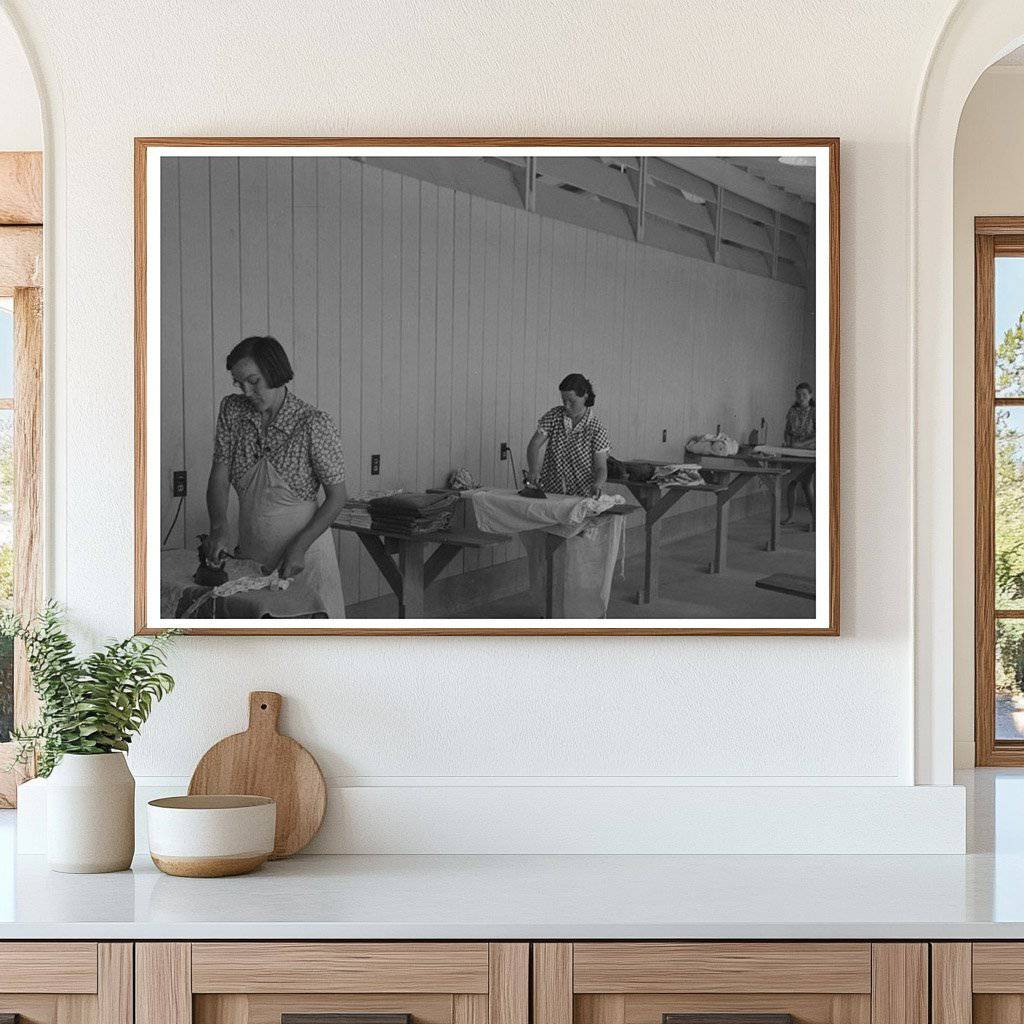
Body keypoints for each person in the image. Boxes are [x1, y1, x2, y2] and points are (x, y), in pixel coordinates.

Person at [202, 336, 348, 617]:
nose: (246, 391)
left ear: (275, 372)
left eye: (253, 380)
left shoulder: (313, 424)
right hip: (252, 554)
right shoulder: (233, 412)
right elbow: (219, 476)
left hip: (305, 556)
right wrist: (219, 526)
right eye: (239, 383)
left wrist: (300, 547)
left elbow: (338, 497)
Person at [525, 373, 610, 496]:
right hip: (551, 492)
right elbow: (534, 445)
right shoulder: (554, 416)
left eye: (572, 401)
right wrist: (533, 469)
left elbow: (601, 468)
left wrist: (597, 485)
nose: (567, 405)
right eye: (564, 401)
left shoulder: (596, 429)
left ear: (585, 395)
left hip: (581, 494)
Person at [782, 380, 815, 528]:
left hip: (809, 451)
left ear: (810, 396)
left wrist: (801, 445)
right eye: (798, 394)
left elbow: (819, 433)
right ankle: (790, 516)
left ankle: (815, 519)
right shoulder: (792, 411)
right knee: (791, 483)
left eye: (804, 394)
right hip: (793, 450)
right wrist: (788, 443)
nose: (801, 397)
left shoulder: (815, 411)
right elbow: (787, 430)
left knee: (806, 484)